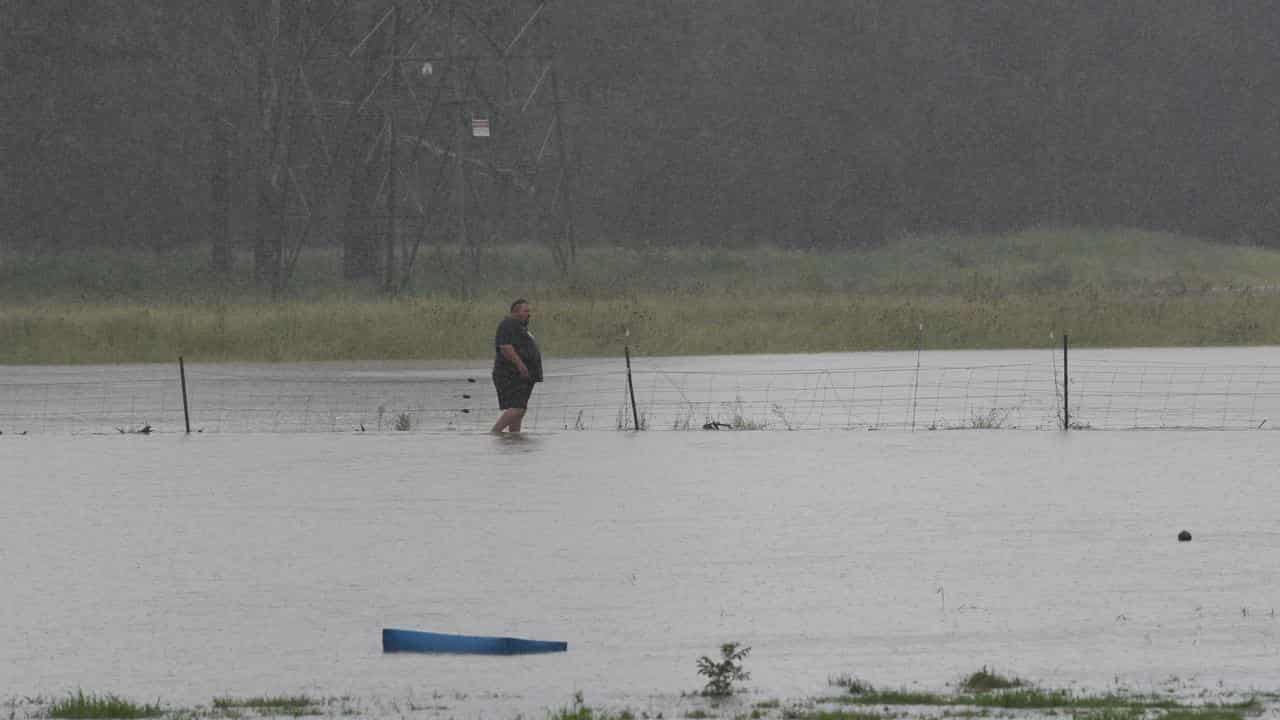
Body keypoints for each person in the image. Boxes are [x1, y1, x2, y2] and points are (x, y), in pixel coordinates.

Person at [491, 298, 543, 433]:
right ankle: (494, 433)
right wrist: (520, 365)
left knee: (520, 410)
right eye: (526, 311)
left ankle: (514, 438)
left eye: (529, 311)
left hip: (523, 375)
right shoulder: (508, 324)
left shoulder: (520, 327)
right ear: (515, 312)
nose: (529, 314)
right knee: (517, 407)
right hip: (510, 373)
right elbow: (505, 347)